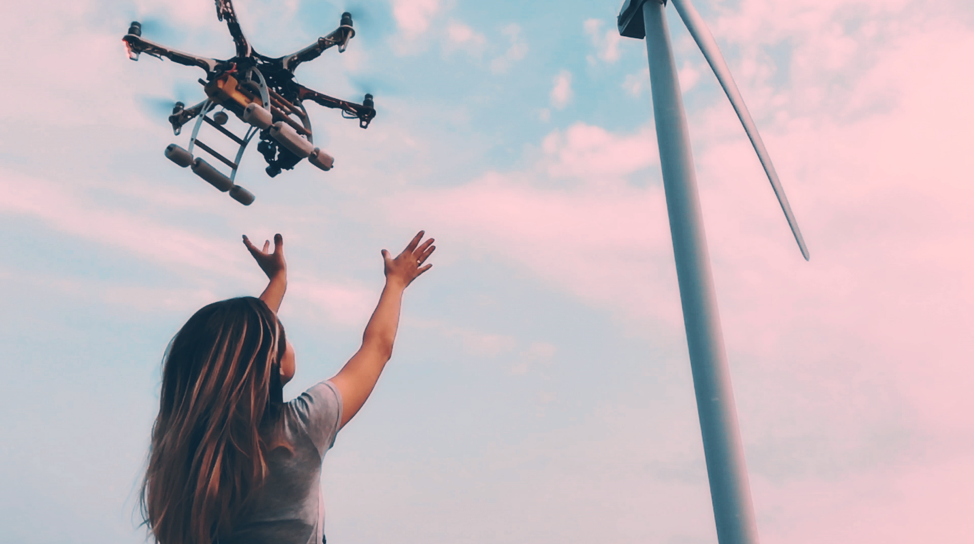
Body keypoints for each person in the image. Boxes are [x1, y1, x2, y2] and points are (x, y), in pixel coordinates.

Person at [140, 231, 435, 544]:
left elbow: (233, 357)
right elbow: (377, 347)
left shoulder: (180, 454)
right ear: (273, 364)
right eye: (282, 335)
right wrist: (396, 283)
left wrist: (278, 280)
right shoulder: (300, 431)